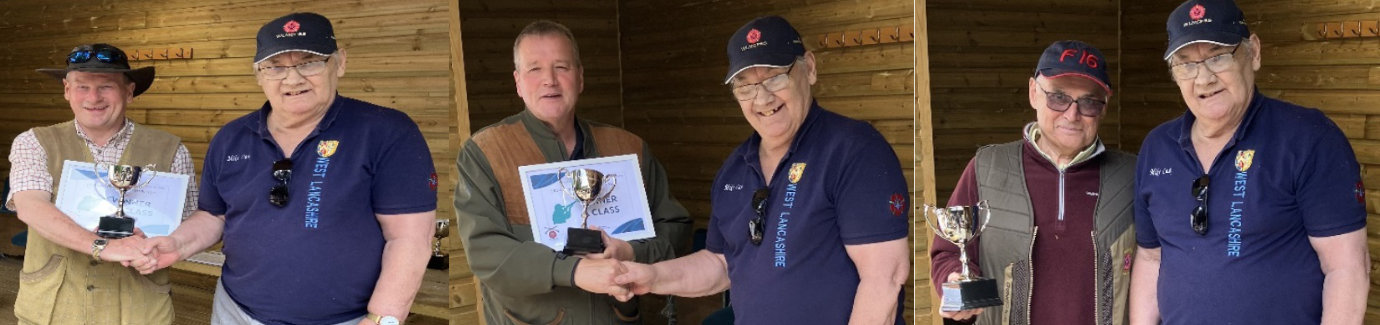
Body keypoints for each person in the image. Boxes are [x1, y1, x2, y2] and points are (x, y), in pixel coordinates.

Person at [608, 16, 910, 324]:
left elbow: (883, 279)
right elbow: (721, 264)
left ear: (809, 68)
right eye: (746, 87)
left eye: (775, 78)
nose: (762, 98)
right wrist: (652, 275)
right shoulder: (735, 169)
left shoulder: (854, 150)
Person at [142, 12, 438, 325]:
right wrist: (178, 243)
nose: (292, 79)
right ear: (258, 74)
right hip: (236, 312)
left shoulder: (386, 132)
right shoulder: (231, 137)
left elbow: (410, 239)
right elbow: (214, 215)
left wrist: (382, 319)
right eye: (276, 67)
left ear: (339, 63)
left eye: (309, 62)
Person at [1131, 0, 1371, 324]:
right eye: (1186, 64)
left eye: (1217, 57)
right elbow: (1150, 258)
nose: (1203, 79)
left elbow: (1347, 267)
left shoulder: (1310, 139)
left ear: (1253, 53)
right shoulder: (1157, 148)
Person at [452, 20, 693, 324]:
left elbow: (676, 229)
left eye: (561, 67)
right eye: (534, 69)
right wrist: (575, 271)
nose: (549, 80)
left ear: (580, 78)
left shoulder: (628, 148)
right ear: (518, 82)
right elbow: (487, 253)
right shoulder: (485, 152)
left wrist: (630, 252)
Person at [929, 40, 1136, 325]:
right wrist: (954, 280)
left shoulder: (1132, 176)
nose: (1072, 114)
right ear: (1033, 93)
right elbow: (947, 252)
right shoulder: (988, 167)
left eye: (1088, 102)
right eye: (1058, 98)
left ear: (1104, 108)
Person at [6, 43, 194, 324]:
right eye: (82, 86)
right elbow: (30, 206)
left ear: (129, 91)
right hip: (53, 308)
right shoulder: (33, 143)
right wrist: (104, 246)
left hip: (140, 309)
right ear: (67, 91)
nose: (93, 97)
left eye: (106, 86)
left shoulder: (171, 150)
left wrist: (159, 246)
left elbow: (190, 221)